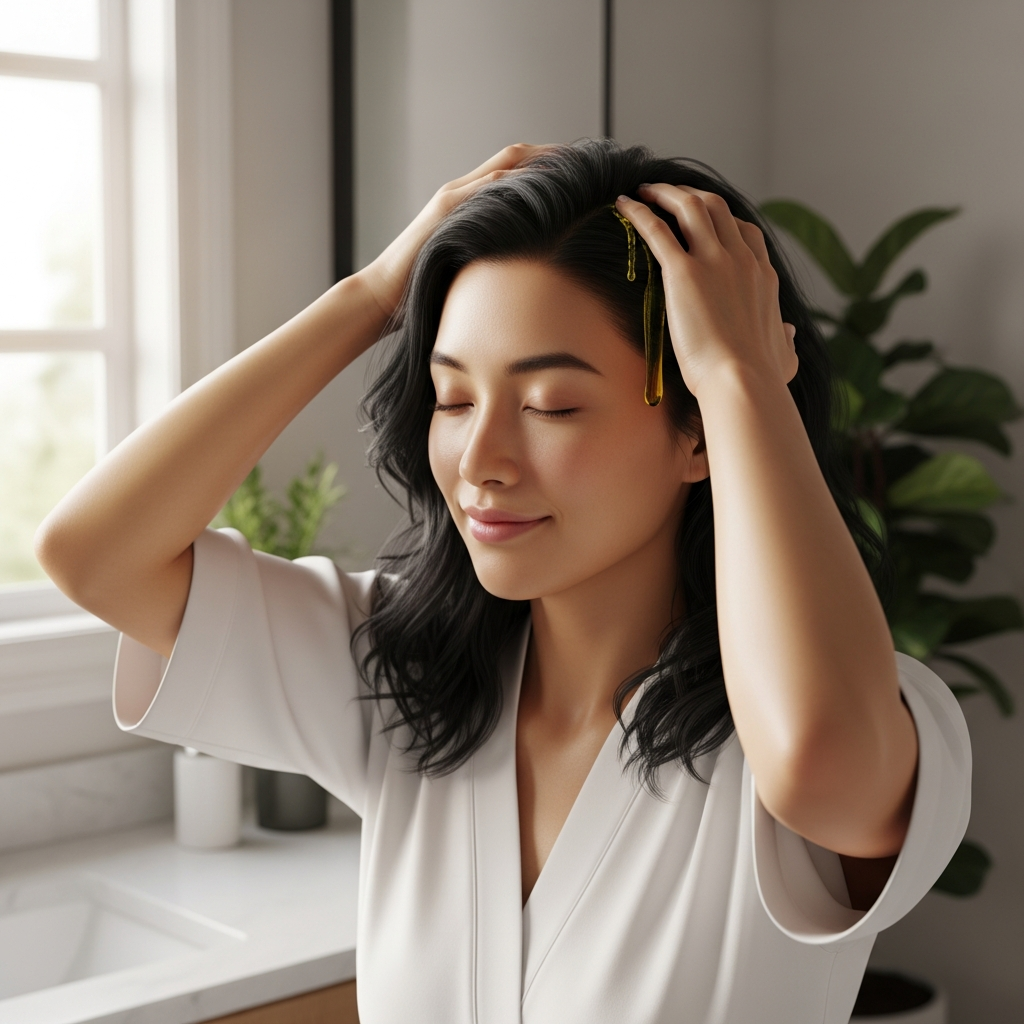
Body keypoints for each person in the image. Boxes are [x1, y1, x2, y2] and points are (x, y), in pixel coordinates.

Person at [36, 140, 970, 1024]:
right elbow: (94, 553)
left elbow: (817, 761)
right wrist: (369, 295)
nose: (481, 459)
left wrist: (739, 375)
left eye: (550, 405)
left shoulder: (843, 726)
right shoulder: (404, 674)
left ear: (697, 434)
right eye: (453, 398)